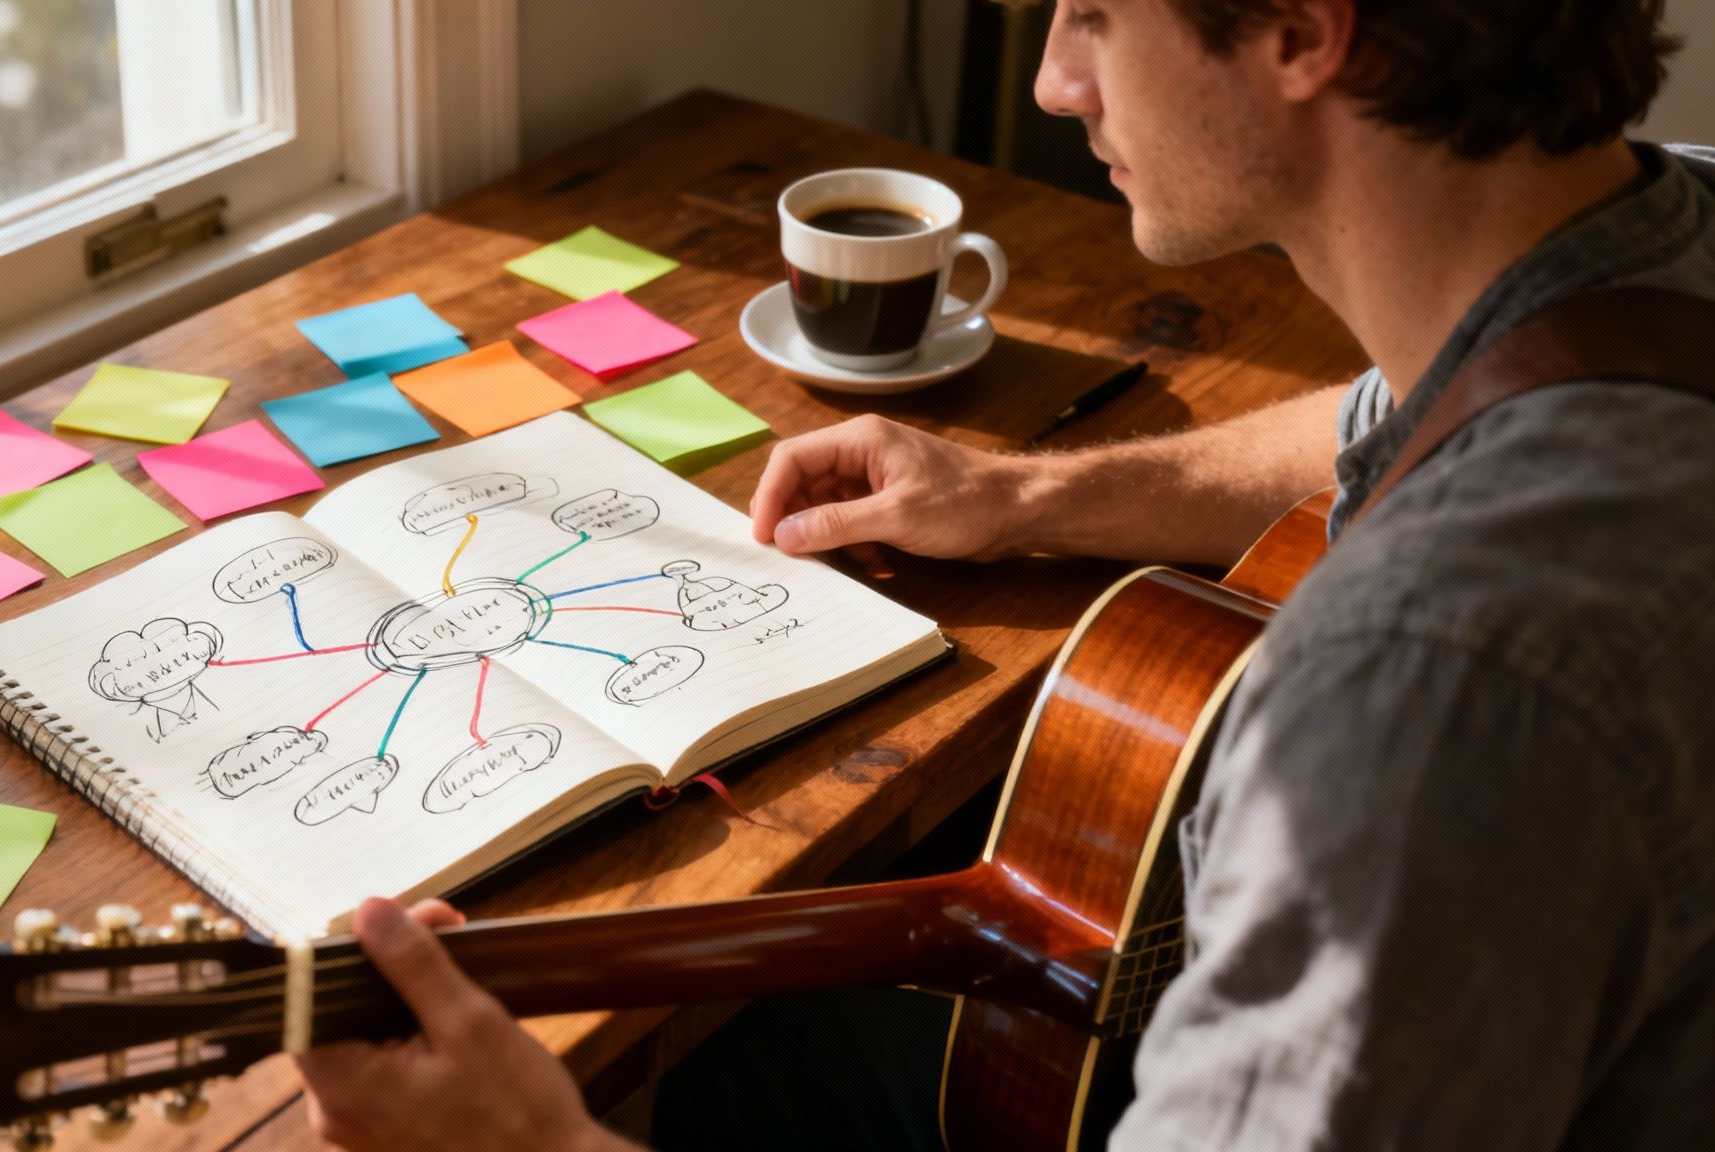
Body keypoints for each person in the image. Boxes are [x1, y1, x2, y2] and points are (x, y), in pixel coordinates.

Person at [294, 0, 1715, 1147]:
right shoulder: (1656, 233)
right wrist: (1027, 492)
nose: (1050, 81)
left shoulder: (1428, 682)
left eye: (1092, 11)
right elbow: (1387, 410)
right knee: (779, 1058)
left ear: (1299, 30)